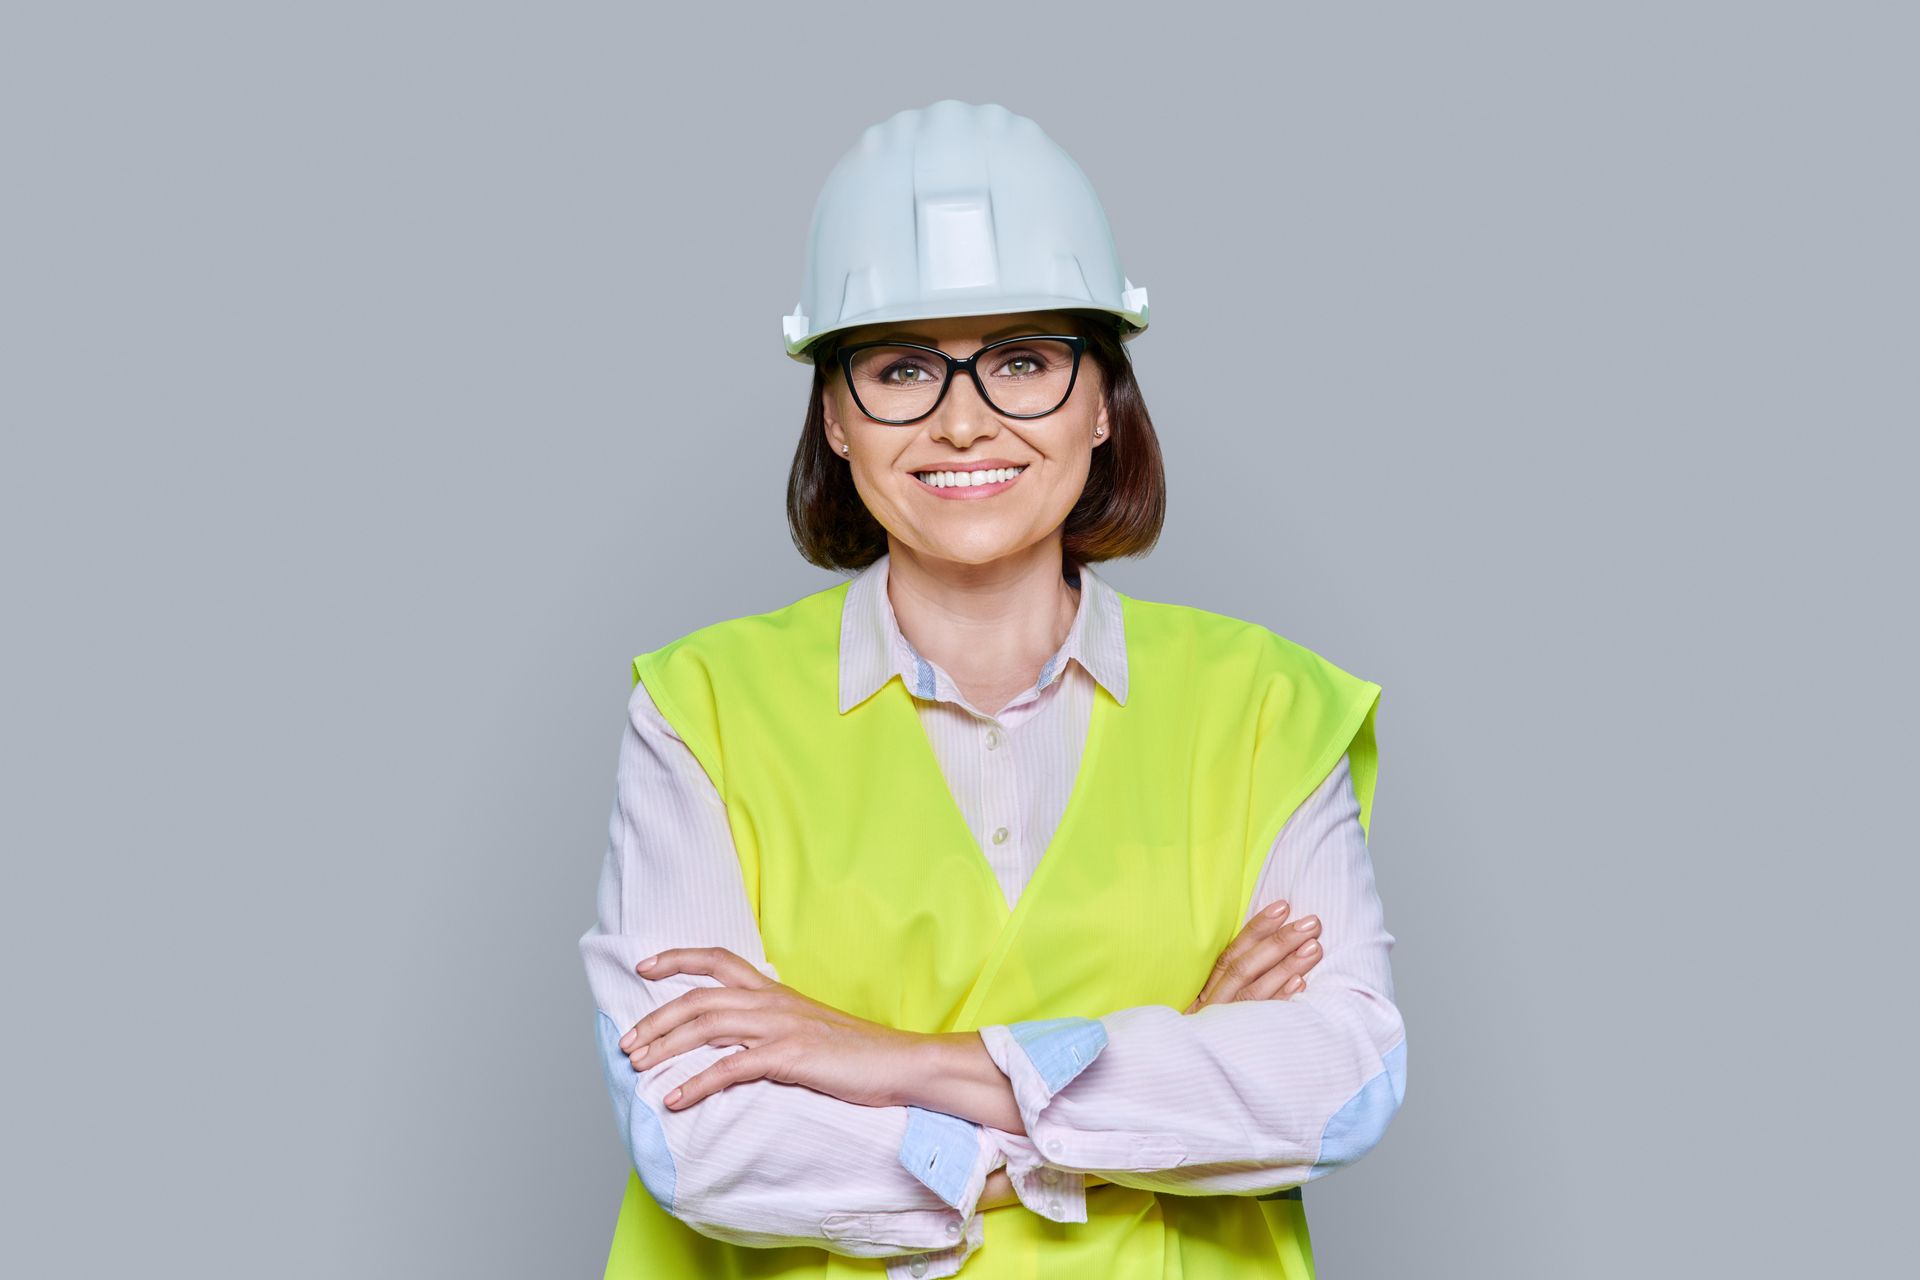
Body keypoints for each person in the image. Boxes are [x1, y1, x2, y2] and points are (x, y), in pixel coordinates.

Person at [579, 99, 1406, 1280]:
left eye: (1023, 359)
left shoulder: (1267, 705)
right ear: (836, 416)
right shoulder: (700, 706)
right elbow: (698, 1133)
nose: (964, 417)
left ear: (1101, 403)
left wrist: (884, 1058)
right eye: (901, 366)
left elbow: (1339, 1080)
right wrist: (1155, 1081)